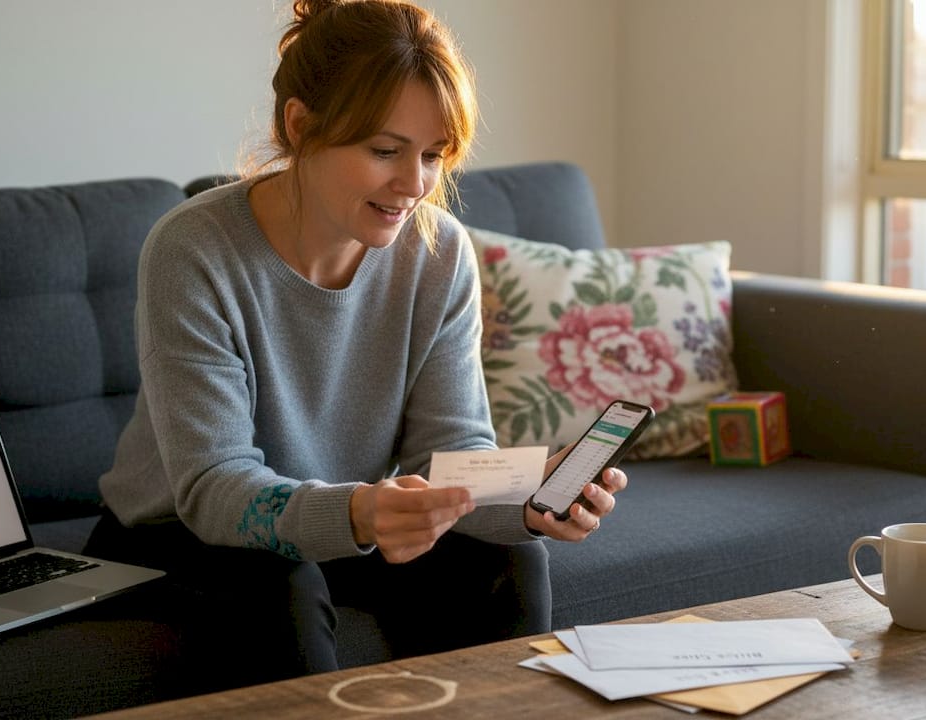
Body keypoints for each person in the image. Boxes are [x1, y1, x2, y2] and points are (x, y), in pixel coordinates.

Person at [86, 0, 628, 689]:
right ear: (300, 125)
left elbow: (448, 457)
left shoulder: (438, 253)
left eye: (433, 155)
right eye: (384, 151)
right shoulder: (194, 250)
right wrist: (356, 512)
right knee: (281, 582)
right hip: (178, 532)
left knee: (507, 561)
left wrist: (527, 499)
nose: (414, 185)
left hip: (348, 521)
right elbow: (213, 484)